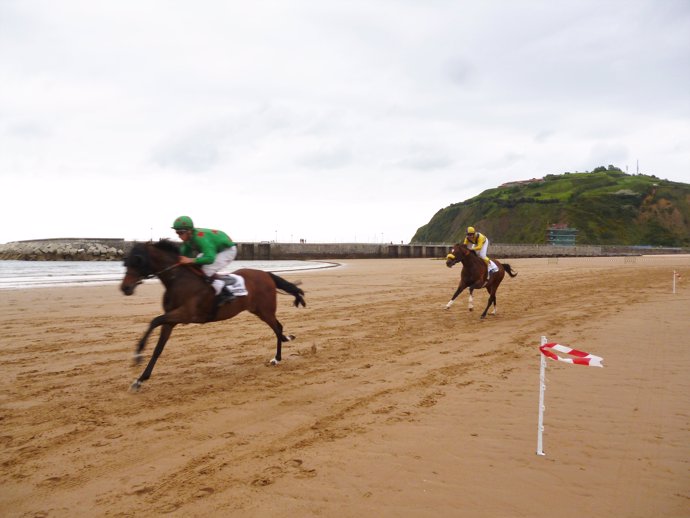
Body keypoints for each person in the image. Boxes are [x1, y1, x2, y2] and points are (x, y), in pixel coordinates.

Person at [171, 215, 238, 305]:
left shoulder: (200, 238)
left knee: (206, 270)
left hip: (227, 250)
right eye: (177, 233)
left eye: (181, 233)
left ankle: (226, 294)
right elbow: (183, 256)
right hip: (215, 249)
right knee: (195, 266)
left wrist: (190, 260)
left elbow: (210, 259)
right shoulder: (188, 240)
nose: (179, 236)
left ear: (189, 231)